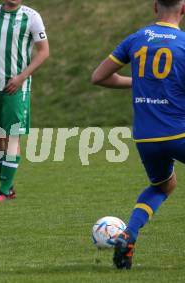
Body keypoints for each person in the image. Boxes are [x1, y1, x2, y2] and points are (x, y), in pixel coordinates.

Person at [91, 0, 185, 269]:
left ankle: (128, 235)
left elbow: (98, 77)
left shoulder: (137, 39)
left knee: (163, 186)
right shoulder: (183, 43)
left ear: (155, 7)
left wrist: (140, 82)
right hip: (180, 132)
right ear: (183, 9)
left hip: (146, 137)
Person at [0, 0, 49, 202]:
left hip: (16, 87)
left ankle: (4, 190)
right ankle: (7, 188)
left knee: (12, 136)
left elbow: (44, 51)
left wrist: (22, 77)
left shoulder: (31, 16)